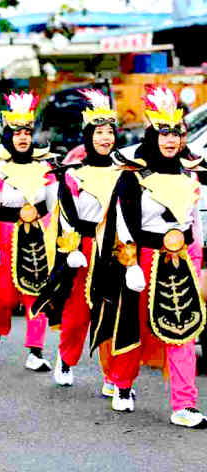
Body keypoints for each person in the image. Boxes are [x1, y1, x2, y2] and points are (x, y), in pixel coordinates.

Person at [92, 86, 207, 428]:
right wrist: (130, 264)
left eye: (176, 133)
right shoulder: (133, 174)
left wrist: (197, 260)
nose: (171, 140)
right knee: (134, 325)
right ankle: (122, 384)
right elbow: (122, 220)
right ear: (152, 135)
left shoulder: (190, 171)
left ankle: (184, 405)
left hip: (180, 260)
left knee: (183, 329)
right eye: (164, 133)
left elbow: (193, 222)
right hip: (143, 259)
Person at [32, 90, 123, 390]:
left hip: (115, 250)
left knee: (111, 311)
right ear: (88, 136)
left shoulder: (126, 173)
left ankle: (114, 376)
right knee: (77, 313)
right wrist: (71, 248)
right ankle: (66, 358)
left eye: (109, 132)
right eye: (99, 132)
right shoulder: (74, 174)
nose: (105, 138)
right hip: (83, 249)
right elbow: (66, 215)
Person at [0, 90, 58, 370]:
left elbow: (53, 206)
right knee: (4, 296)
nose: (22, 138)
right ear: (9, 135)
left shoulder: (44, 165)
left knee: (37, 292)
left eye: (27, 132)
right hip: (5, 234)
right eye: (17, 132)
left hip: (37, 236)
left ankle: (35, 351)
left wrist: (53, 235)